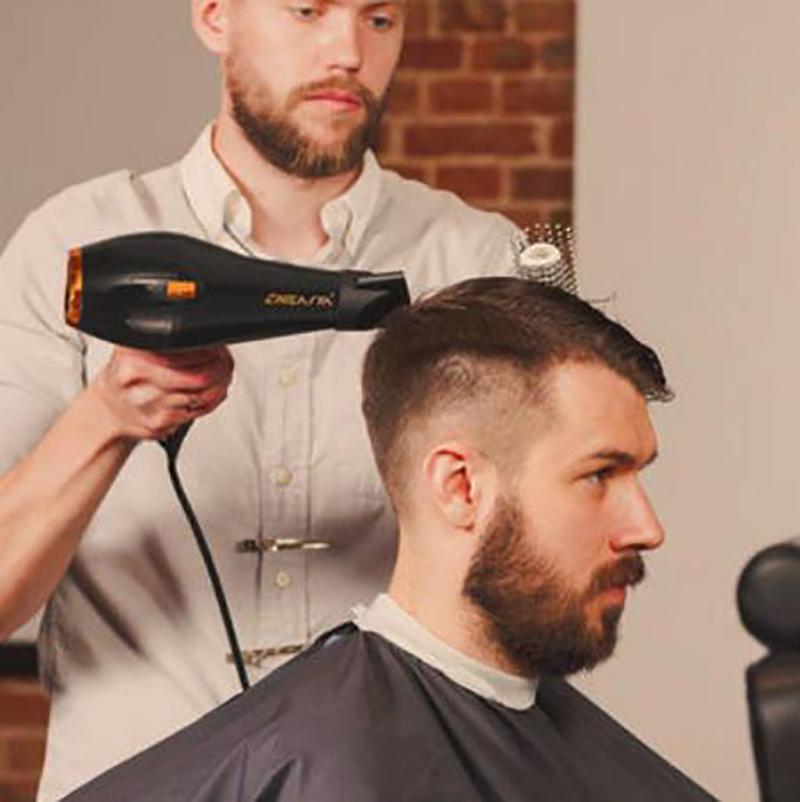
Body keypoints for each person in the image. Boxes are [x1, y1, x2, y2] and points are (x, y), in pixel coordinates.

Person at [0, 2, 556, 800]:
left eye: (380, 18)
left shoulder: (477, 260)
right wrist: (107, 419)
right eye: (307, 9)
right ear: (214, 16)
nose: (349, 51)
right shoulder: (72, 246)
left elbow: (545, 583)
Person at [63, 278, 716, 802]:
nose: (647, 528)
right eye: (600, 475)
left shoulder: (587, 749)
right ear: (460, 486)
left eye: (639, 475)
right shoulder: (307, 761)